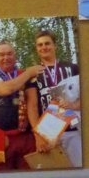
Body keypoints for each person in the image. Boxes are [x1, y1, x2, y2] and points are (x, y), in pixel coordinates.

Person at [0, 40, 43, 170]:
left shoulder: (23, 74)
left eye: (9, 54)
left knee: (28, 175)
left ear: (15, 56)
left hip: (25, 137)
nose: (6, 58)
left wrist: (38, 135)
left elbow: (32, 106)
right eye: (2, 54)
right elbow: (5, 89)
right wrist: (29, 73)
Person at [25, 29, 82, 167]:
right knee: (54, 173)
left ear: (55, 45)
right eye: (40, 45)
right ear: (36, 48)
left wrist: (74, 106)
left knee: (79, 171)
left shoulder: (72, 68)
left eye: (47, 43)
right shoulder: (33, 73)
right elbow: (32, 106)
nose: (44, 47)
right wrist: (38, 136)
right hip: (47, 133)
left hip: (73, 130)